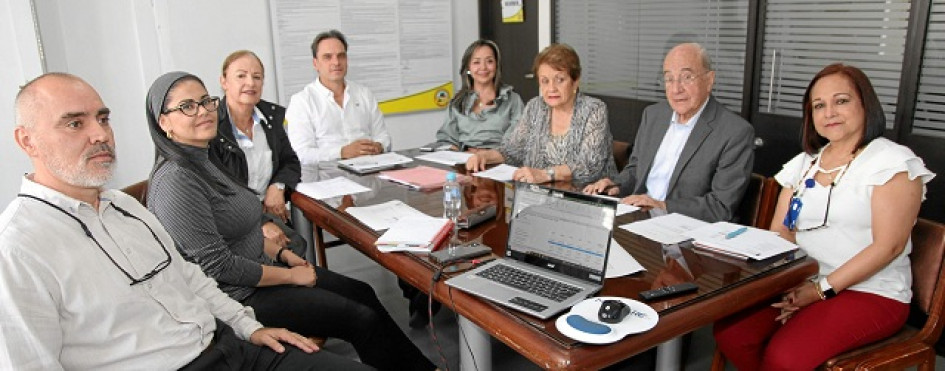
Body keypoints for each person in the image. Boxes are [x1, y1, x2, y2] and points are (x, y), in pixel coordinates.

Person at [0, 72, 369, 370]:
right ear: (27, 141)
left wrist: (249, 327)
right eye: (74, 124)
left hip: (228, 344)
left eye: (103, 119)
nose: (100, 134)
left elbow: (191, 278)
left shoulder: (125, 207)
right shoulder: (18, 248)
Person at [145, 71, 437, 371]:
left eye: (206, 101)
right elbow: (218, 267)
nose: (203, 111)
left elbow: (242, 231)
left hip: (262, 269)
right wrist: (291, 277)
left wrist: (283, 254)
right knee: (359, 317)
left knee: (363, 292)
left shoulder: (206, 158)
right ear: (163, 122)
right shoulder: (176, 180)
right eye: (187, 106)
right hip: (239, 296)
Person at [713, 63, 934, 370]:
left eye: (841, 101)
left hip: (871, 291)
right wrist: (784, 286)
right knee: (733, 333)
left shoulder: (892, 162)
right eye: (819, 105)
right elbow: (781, 234)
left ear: (865, 105)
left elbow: (888, 247)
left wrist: (819, 291)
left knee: (785, 358)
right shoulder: (804, 164)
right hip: (803, 280)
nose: (829, 112)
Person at [583, 42, 754, 222]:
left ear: (709, 80)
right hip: (638, 218)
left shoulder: (735, 132)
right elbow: (636, 168)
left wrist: (662, 206)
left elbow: (720, 206)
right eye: (669, 79)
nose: (676, 89)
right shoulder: (654, 115)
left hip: (685, 228)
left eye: (687, 77)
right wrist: (616, 185)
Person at [466, 43, 617, 186]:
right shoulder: (535, 107)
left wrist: (545, 174)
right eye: (545, 81)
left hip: (587, 196)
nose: (551, 88)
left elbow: (589, 166)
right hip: (539, 195)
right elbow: (512, 151)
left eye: (560, 80)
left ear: (575, 81)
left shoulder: (594, 109)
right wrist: (484, 156)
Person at [210, 49, 305, 257]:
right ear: (224, 82)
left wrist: (277, 186)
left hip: (269, 210)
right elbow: (218, 192)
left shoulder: (272, 118)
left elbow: (290, 161)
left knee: (296, 246)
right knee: (288, 252)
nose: (250, 83)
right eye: (241, 76)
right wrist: (261, 223)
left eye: (257, 77)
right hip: (232, 222)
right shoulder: (212, 127)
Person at [286, 29, 391, 177]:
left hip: (369, 176)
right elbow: (301, 153)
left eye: (341, 56)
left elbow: (383, 136)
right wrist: (342, 152)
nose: (336, 62)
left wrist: (379, 146)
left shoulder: (364, 93)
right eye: (327, 57)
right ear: (315, 63)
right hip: (326, 180)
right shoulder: (302, 101)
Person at [435, 39, 524, 151]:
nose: (483, 67)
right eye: (476, 62)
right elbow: (447, 139)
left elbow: (516, 141)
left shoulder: (513, 100)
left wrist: (486, 155)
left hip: (499, 158)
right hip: (465, 158)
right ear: (468, 68)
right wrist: (455, 153)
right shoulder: (457, 102)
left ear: (496, 66)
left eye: (489, 61)